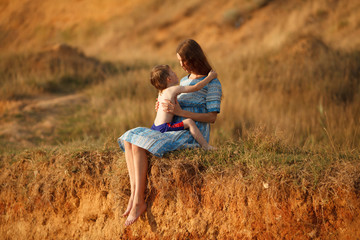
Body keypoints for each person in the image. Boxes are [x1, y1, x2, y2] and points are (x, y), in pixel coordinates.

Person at [118, 39, 222, 227]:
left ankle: (139, 201)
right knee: (131, 138)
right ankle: (134, 197)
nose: (181, 65)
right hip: (173, 128)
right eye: (179, 62)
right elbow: (172, 102)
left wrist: (180, 113)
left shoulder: (212, 83)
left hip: (191, 132)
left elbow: (212, 118)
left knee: (139, 142)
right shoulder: (182, 80)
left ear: (194, 58)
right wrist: (161, 106)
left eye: (184, 61)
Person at [150, 64, 217, 150]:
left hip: (155, 127)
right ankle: (205, 146)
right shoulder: (173, 89)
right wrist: (210, 77)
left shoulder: (161, 92)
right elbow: (196, 87)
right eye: (172, 72)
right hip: (164, 127)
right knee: (189, 122)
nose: (175, 73)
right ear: (169, 79)